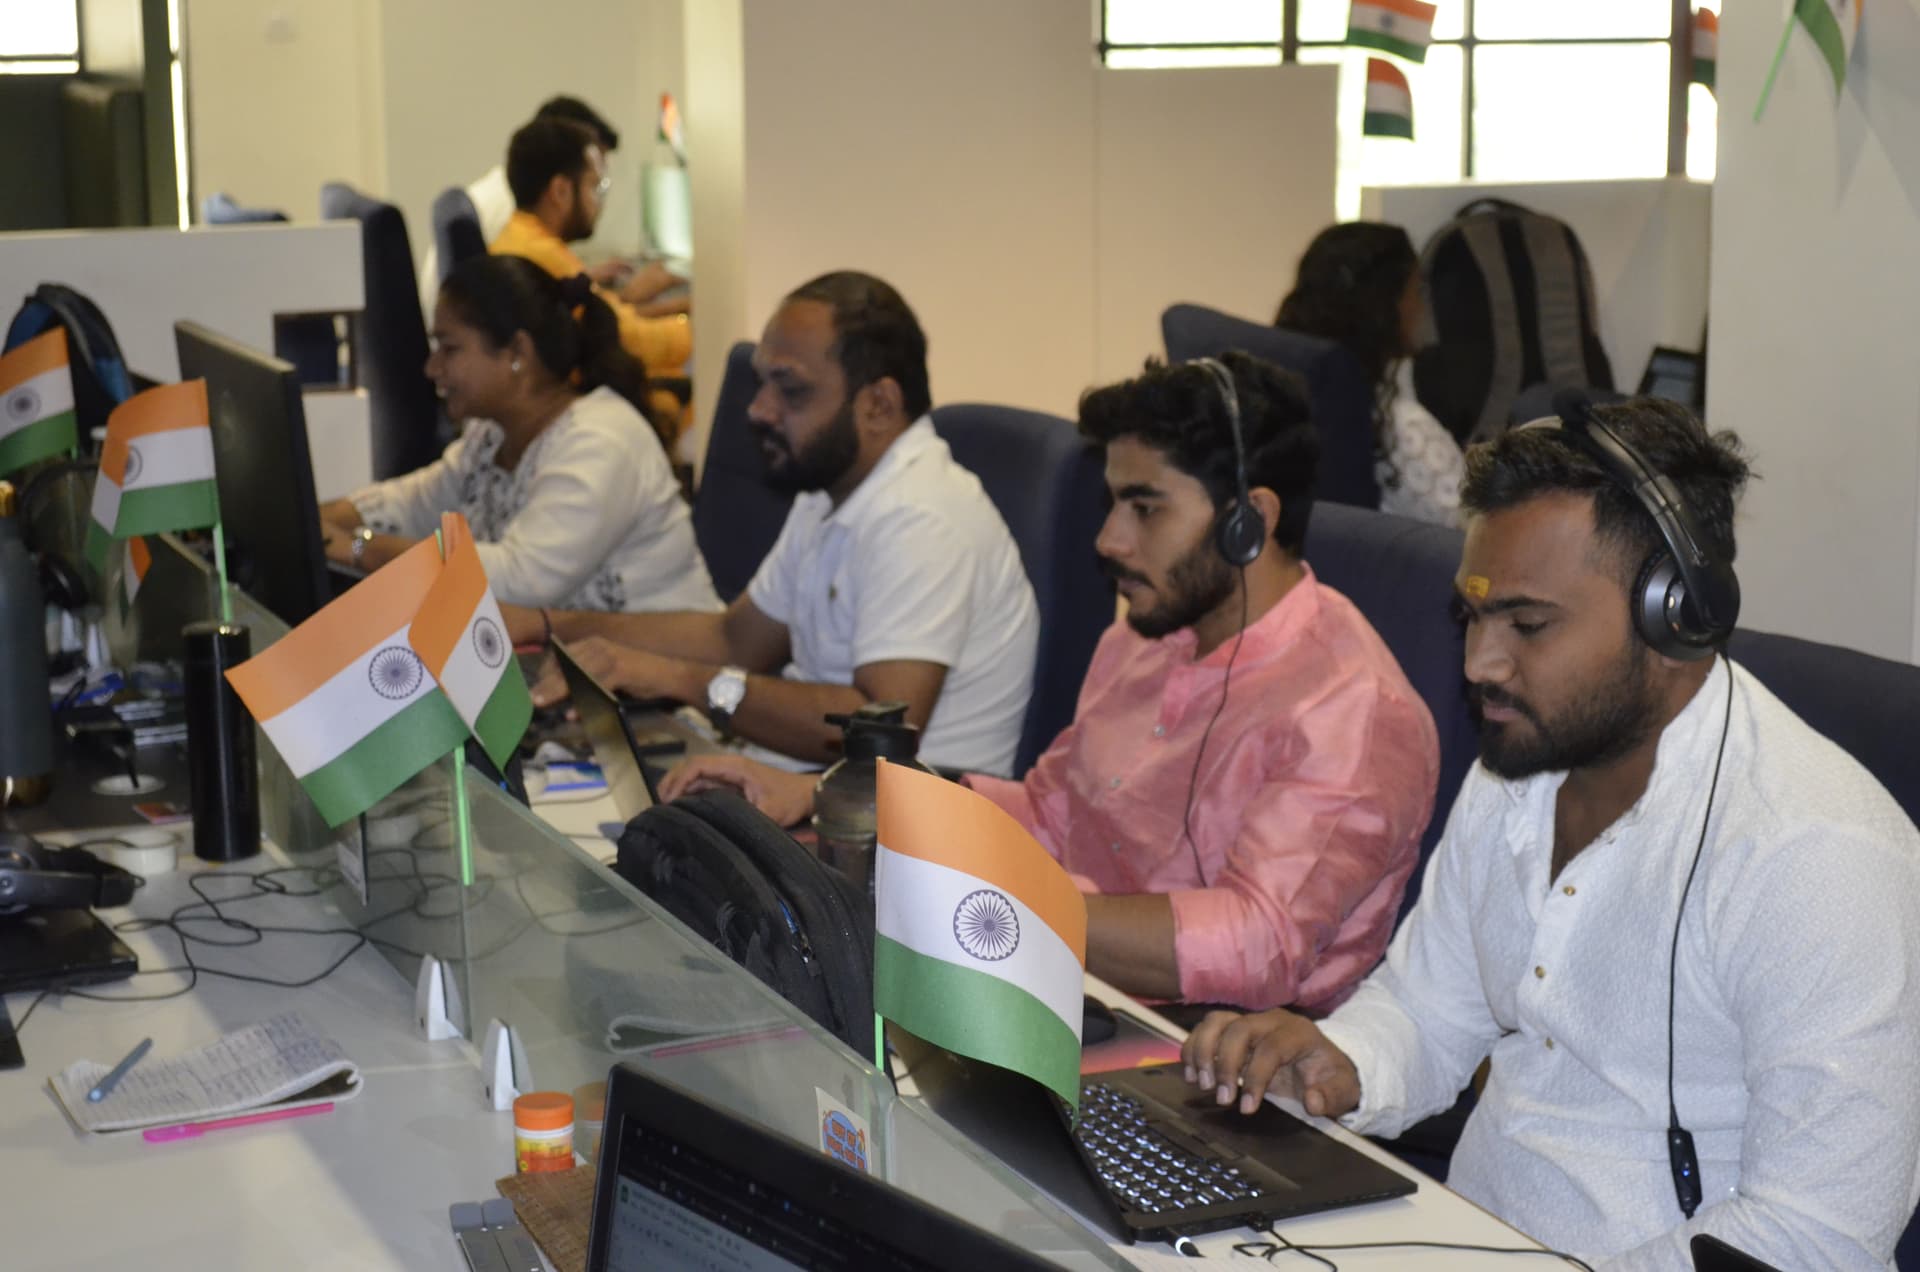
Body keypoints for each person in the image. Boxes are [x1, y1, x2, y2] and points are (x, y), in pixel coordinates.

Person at [1181, 399, 1920, 1268]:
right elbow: (1430, 1007)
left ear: (1676, 614)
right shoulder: (1521, 763)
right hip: (1464, 1239)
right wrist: (1340, 1058)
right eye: (1472, 616)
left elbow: (1815, 1237)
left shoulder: (1817, 857)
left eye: (1528, 625)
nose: (1479, 664)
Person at [663, 353, 1439, 1013]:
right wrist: (841, 796)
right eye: (1112, 503)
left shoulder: (1350, 709)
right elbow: (1048, 810)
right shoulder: (1141, 640)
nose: (1109, 540)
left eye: (1145, 507)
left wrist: (1003, 904)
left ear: (1250, 520)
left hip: (1229, 1075)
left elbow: (1257, 944)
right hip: (1067, 991)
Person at [505, 271, 1039, 775]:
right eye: (762, 383)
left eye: (792, 389)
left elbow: (879, 728)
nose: (758, 409)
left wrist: (675, 678)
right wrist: (550, 626)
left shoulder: (922, 518)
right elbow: (734, 639)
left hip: (894, 841)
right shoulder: (832, 489)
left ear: (878, 404)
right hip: (809, 790)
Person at [321, 253, 719, 615]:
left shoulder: (600, 443)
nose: (432, 368)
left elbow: (517, 583)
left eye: (450, 348)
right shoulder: (492, 433)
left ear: (517, 354)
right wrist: (316, 521)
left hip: (657, 680)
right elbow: (416, 503)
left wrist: (358, 547)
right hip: (579, 670)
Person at [490, 117, 692, 444]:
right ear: (560, 191)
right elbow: (627, 342)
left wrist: (674, 306)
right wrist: (702, 329)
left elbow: (607, 316)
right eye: (595, 186)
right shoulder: (543, 259)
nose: (600, 202)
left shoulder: (525, 237)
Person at [417, 96, 678, 321]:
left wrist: (586, 279)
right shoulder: (506, 210)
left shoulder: (508, 194)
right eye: (591, 164)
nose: (599, 171)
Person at [1277, 222, 1463, 527]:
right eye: (1416, 290)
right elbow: (1475, 539)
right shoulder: (1403, 430)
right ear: (1385, 305)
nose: (1421, 306)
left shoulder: (1284, 398)